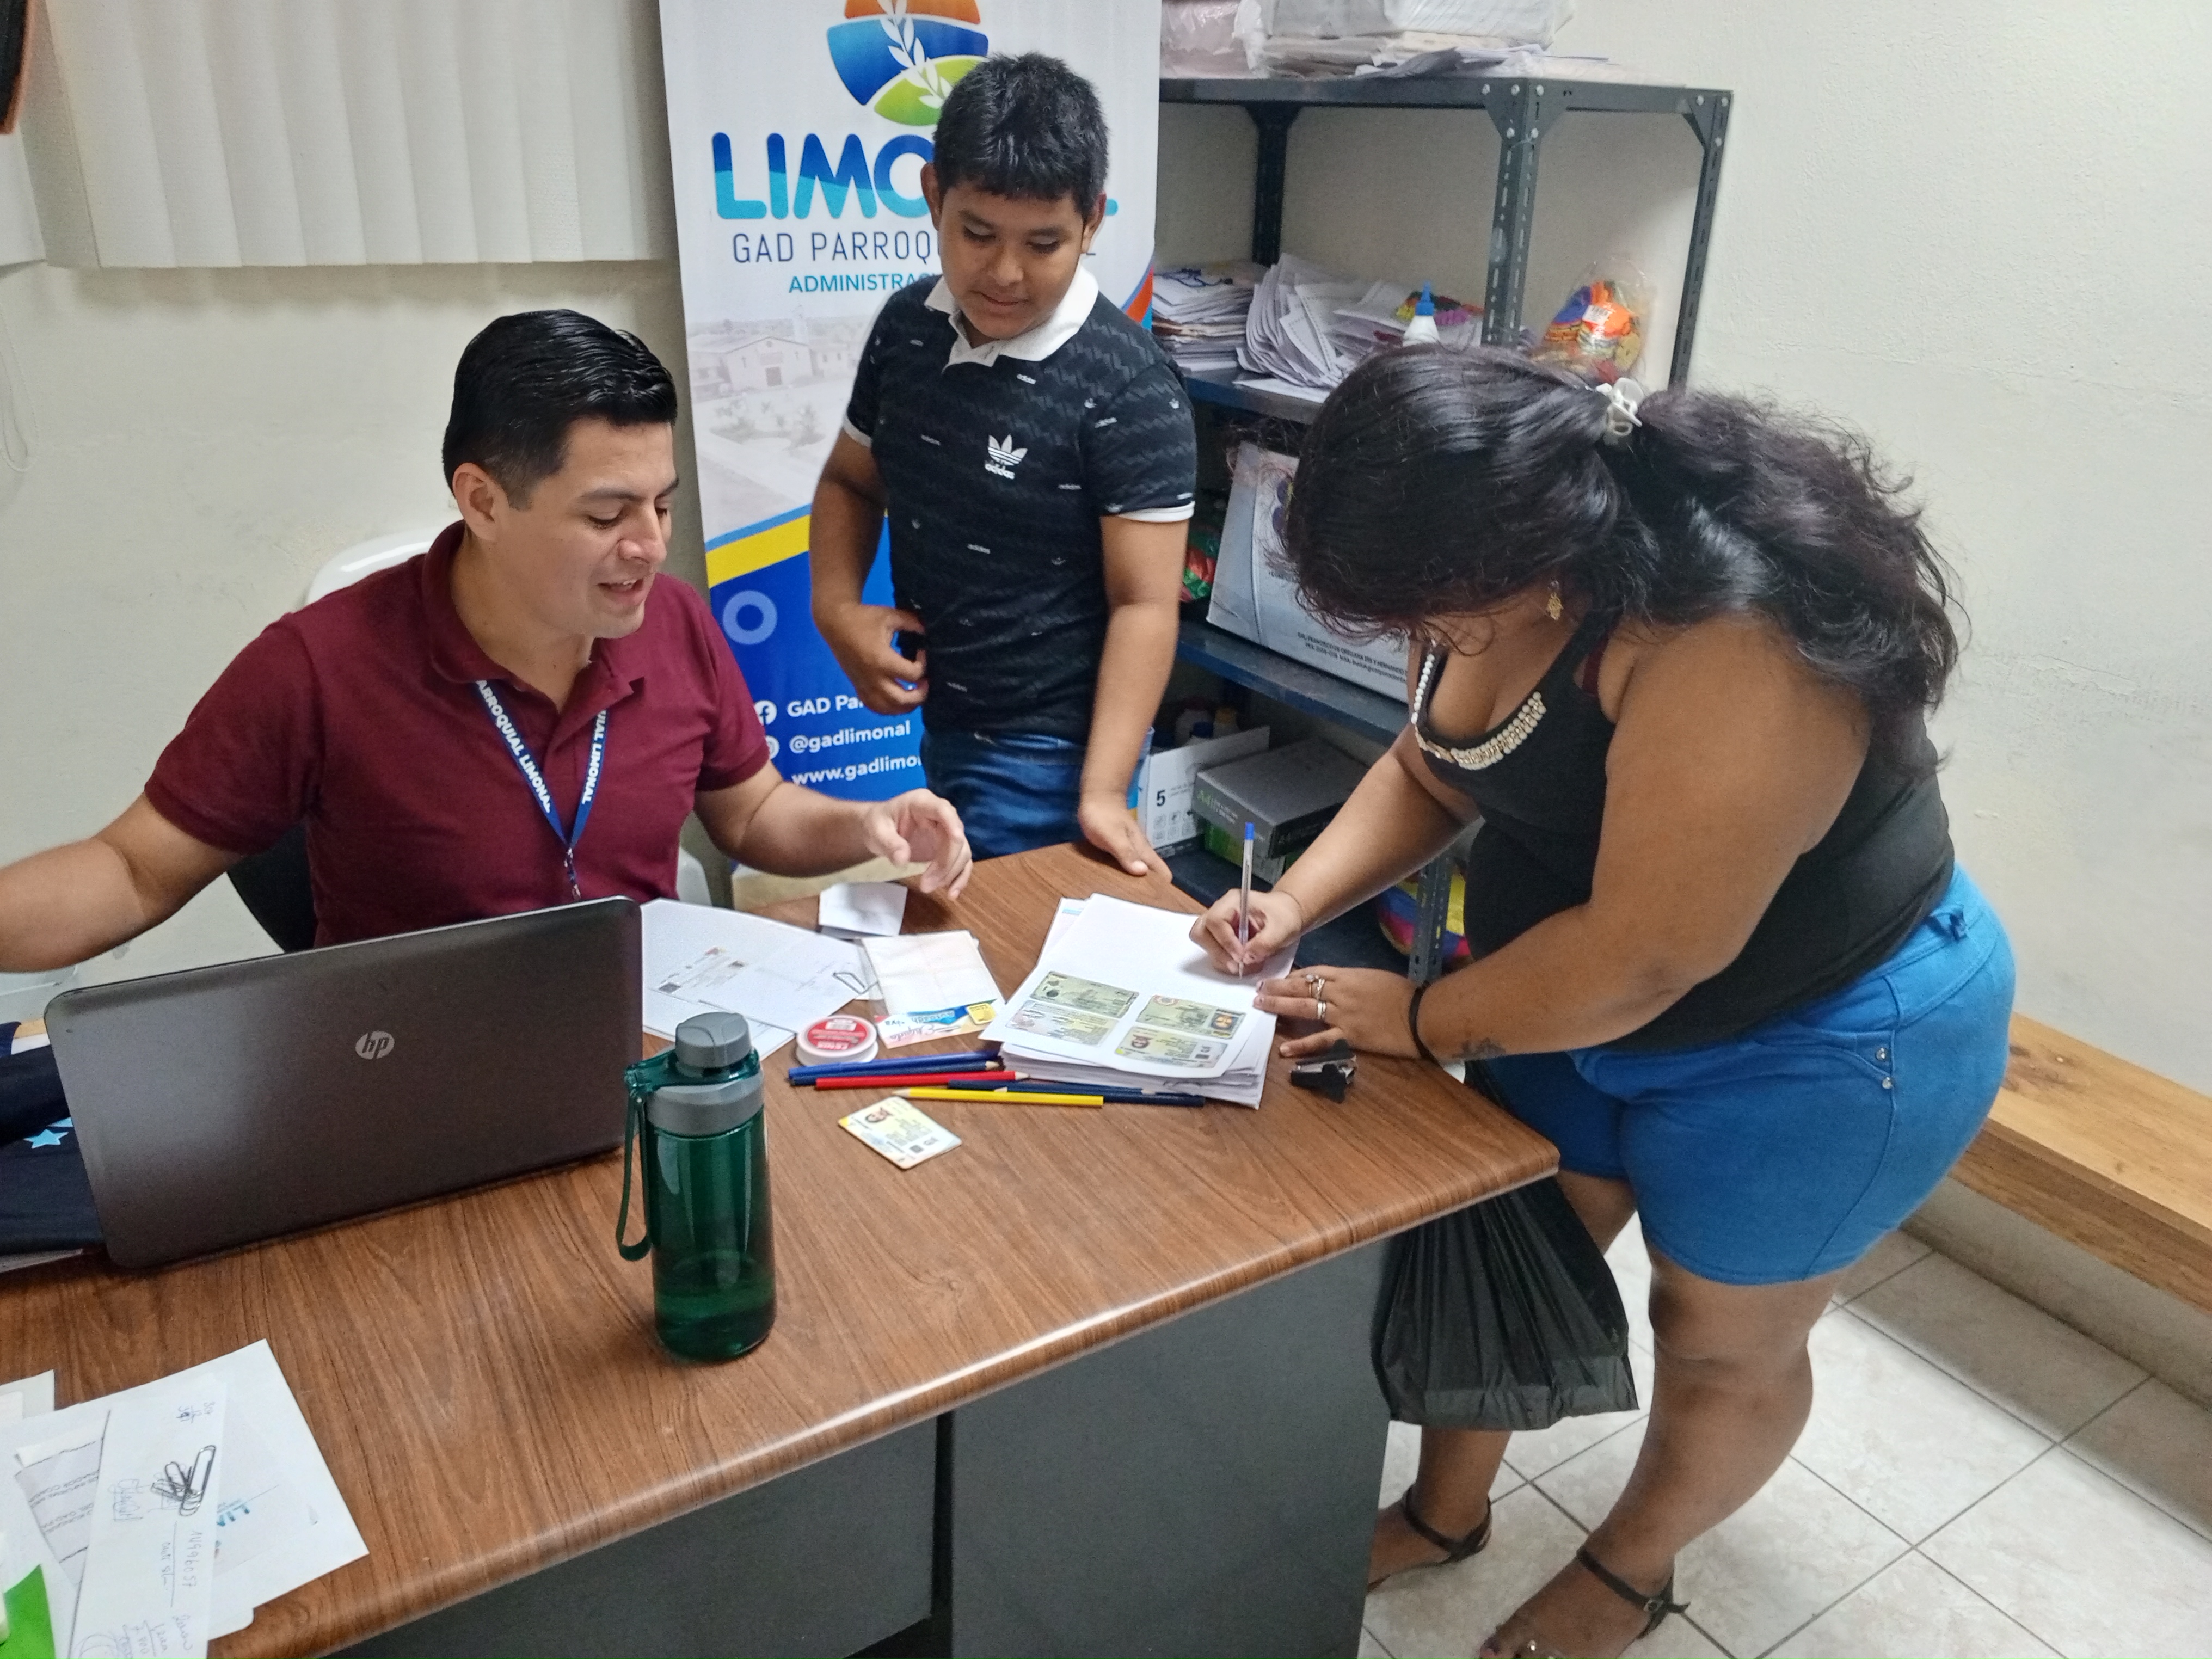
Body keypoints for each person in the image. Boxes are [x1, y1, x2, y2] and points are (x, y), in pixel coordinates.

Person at [1190, 348, 2013, 1659]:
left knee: (1714, 1339)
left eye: (1427, 615)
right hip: (1561, 993)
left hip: (1815, 1037)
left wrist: (1421, 1020)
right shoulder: (1495, 580)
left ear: (1525, 559)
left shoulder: (1732, 633)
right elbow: (1436, 764)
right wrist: (1294, 899)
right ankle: (1446, 1515)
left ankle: (1627, 1574)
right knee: (1507, 1253)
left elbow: (1645, 957)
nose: (1419, 642)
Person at [0, 310, 970, 973]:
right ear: (484, 501)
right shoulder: (319, 668)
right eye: (606, 515)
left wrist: (867, 825)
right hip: (424, 1070)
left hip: (641, 1029)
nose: (649, 545)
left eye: (663, 504)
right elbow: (133, 870)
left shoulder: (673, 623)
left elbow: (752, 813)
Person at [809, 53, 1197, 873]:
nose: (1005, 274)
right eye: (977, 234)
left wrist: (1102, 791)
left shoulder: (1129, 385)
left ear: (1092, 222)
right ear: (933, 196)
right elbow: (851, 480)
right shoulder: (906, 328)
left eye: (1044, 243)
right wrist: (835, 607)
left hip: (1053, 755)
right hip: (947, 721)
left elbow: (1145, 604)